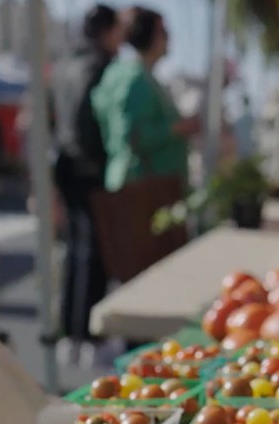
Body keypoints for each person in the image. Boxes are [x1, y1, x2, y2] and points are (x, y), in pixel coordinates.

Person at [91, 7, 200, 277]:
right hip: (143, 191)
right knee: (147, 277)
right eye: (164, 32)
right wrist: (176, 128)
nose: (169, 39)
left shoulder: (127, 73)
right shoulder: (133, 78)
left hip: (142, 189)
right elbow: (131, 136)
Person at [49, 4, 124, 366]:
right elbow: (90, 122)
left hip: (64, 162)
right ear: (106, 32)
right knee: (93, 252)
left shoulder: (66, 65)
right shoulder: (99, 66)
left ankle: (72, 333)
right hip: (88, 167)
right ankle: (88, 333)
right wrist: (99, 160)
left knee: (76, 251)